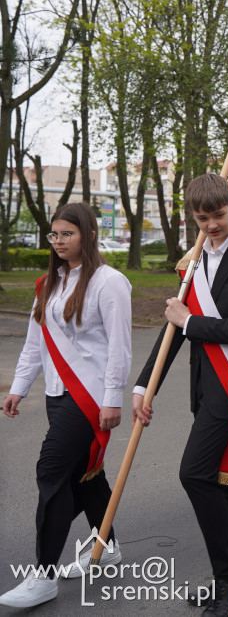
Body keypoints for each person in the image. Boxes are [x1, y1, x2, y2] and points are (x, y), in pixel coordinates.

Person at [130, 174, 228, 616]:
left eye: (218, 215)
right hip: (206, 386)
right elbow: (175, 329)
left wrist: (189, 320)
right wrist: (143, 384)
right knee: (227, 489)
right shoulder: (193, 261)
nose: (211, 225)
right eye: (201, 218)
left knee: (194, 474)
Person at [1, 203, 132, 609]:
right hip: (58, 396)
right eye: (54, 235)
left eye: (67, 234)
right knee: (85, 477)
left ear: (89, 234)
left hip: (90, 398)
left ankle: (43, 576)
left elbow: (119, 348)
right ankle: (106, 546)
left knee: (51, 473)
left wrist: (113, 398)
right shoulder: (49, 284)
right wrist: (19, 387)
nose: (58, 242)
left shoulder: (109, 283)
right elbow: (35, 343)